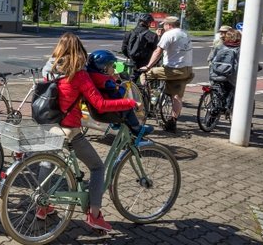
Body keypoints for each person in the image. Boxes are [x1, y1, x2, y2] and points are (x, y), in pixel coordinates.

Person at [40, 32, 137, 231]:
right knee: (97, 168)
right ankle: (94, 215)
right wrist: (129, 102)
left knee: (47, 162)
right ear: (79, 50)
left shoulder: (50, 69)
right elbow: (100, 105)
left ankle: (41, 207)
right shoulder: (79, 74)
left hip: (49, 123)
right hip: (69, 129)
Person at [140, 16, 194, 133]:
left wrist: (148, 66)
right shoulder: (185, 33)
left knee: (145, 74)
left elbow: (158, 51)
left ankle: (150, 99)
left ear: (169, 25)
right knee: (177, 97)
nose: (163, 27)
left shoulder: (169, 34)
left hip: (172, 70)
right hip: (186, 70)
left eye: (164, 24)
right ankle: (172, 122)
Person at [87, 50, 153, 136]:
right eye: (112, 66)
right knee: (127, 108)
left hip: (95, 112)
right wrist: (119, 85)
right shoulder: (106, 82)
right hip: (108, 112)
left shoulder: (92, 77)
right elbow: (118, 94)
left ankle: (116, 124)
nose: (114, 68)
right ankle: (137, 129)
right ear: (104, 68)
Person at [209, 28, 241, 110]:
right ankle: (227, 107)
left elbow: (211, 58)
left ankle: (215, 107)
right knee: (234, 88)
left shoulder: (220, 47)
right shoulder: (240, 49)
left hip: (215, 73)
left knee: (217, 89)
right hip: (230, 76)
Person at [121, 13, 159, 80]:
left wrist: (131, 56)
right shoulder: (152, 35)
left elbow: (124, 48)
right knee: (144, 80)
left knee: (132, 78)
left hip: (132, 61)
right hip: (146, 63)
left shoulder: (129, 33)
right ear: (148, 23)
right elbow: (155, 50)